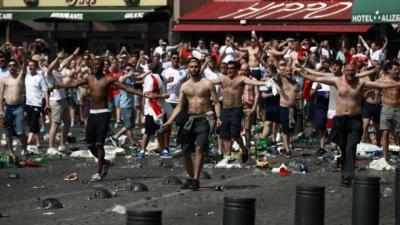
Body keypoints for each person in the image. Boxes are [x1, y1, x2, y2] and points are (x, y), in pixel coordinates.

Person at [300, 63, 400, 186]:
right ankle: (345, 170)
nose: (350, 72)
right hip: (340, 120)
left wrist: (397, 84)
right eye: (348, 70)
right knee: (343, 148)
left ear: (356, 71)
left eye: (353, 70)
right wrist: (302, 74)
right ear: (344, 71)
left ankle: (348, 176)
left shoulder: (360, 82)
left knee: (350, 147)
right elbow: (318, 78)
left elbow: (379, 84)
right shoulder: (337, 80)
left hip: (355, 120)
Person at [55, 57, 147, 182]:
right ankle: (104, 162)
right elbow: (74, 84)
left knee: (99, 144)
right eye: (92, 64)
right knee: (89, 144)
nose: (94, 66)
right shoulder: (89, 78)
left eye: (97, 64)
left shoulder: (108, 79)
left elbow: (126, 88)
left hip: (103, 113)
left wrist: (144, 94)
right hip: (92, 114)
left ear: (102, 66)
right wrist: (59, 85)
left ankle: (98, 172)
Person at [162, 58, 221, 191]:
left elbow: (216, 102)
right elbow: (179, 106)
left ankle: (195, 179)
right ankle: (191, 177)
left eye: (196, 66)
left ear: (200, 67)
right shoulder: (185, 86)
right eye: (191, 67)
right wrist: (169, 121)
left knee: (200, 148)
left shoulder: (207, 83)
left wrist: (218, 118)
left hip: (205, 119)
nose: (194, 69)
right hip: (189, 120)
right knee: (185, 151)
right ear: (188, 68)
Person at [211, 61, 267, 162]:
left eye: (232, 68)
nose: (229, 70)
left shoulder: (241, 79)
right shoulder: (222, 78)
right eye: (228, 68)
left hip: (236, 109)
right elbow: (209, 82)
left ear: (237, 69)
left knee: (235, 134)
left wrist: (265, 82)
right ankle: (228, 156)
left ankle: (244, 149)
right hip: (225, 109)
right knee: (225, 135)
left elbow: (254, 82)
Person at [45, 48, 79, 155]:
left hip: (63, 99)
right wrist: (58, 57)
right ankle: (50, 148)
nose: (59, 63)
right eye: (57, 62)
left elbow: (66, 61)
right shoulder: (49, 72)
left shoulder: (58, 70)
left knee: (68, 122)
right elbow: (50, 67)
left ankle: (62, 145)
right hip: (55, 101)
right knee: (55, 124)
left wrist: (73, 54)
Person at [137, 62, 171, 159]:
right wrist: (162, 96)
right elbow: (147, 94)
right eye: (161, 66)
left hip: (160, 108)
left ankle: (163, 149)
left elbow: (159, 87)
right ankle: (142, 151)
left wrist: (167, 82)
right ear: (159, 68)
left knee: (161, 130)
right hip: (152, 109)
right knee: (148, 131)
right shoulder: (150, 79)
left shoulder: (159, 77)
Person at [0, 58, 28, 156]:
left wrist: (21, 56)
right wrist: (0, 110)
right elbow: (1, 95)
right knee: (8, 132)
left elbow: (24, 65)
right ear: (8, 68)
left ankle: (25, 148)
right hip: (7, 107)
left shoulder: (20, 76)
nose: (12, 67)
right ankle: (11, 152)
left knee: (20, 131)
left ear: (16, 67)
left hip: (19, 107)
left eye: (14, 65)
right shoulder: (4, 80)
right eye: (10, 65)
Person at [25, 58, 50, 154]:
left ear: (36, 67)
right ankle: (38, 144)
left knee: (33, 123)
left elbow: (45, 91)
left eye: (33, 65)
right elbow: (22, 66)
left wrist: (47, 104)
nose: (31, 67)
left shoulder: (40, 77)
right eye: (29, 65)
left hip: (37, 104)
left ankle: (27, 144)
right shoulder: (26, 75)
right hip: (28, 103)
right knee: (34, 124)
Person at [276, 66, 301, 157]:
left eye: (290, 71)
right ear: (284, 72)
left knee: (291, 129)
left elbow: (299, 95)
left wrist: (299, 103)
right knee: (285, 129)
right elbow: (275, 77)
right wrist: (280, 71)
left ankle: (285, 145)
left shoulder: (296, 84)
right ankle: (287, 149)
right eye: (287, 71)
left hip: (293, 108)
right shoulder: (281, 81)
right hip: (284, 108)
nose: (289, 72)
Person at [378, 61, 400, 160]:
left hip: (398, 108)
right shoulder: (382, 80)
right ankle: (385, 158)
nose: (398, 71)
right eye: (395, 69)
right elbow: (368, 84)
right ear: (388, 70)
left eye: (398, 69)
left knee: (398, 133)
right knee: (385, 133)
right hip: (386, 108)